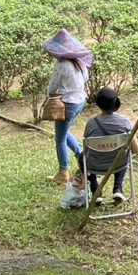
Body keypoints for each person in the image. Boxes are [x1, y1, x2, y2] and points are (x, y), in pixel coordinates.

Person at [44, 29, 93, 185]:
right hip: (79, 101)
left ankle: (63, 171)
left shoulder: (62, 65)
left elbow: (53, 87)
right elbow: (85, 79)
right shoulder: (80, 63)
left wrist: (49, 96)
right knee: (65, 132)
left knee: (59, 139)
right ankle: (81, 157)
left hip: (67, 104)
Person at [82, 86, 138, 202]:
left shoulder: (91, 122)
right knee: (123, 153)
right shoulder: (125, 122)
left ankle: (96, 191)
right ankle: (117, 188)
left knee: (81, 157)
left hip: (95, 165)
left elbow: (86, 149)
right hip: (118, 164)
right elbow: (136, 149)